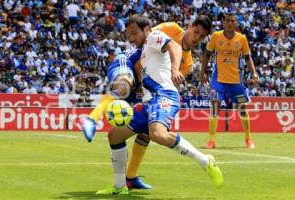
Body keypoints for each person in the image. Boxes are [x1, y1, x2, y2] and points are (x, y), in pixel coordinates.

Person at [81, 15, 213, 189]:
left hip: (145, 85)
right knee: (123, 85)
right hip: (131, 64)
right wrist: (173, 68)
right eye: (196, 32)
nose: (196, 38)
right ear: (189, 26)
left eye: (201, 37)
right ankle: (92, 118)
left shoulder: (188, 62)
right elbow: (146, 40)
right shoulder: (171, 28)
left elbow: (166, 80)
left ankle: (130, 178)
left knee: (147, 130)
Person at [200, 13, 259, 149]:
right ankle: (212, 141)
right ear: (224, 23)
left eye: (233, 21)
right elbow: (207, 55)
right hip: (218, 81)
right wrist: (202, 74)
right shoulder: (216, 36)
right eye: (228, 21)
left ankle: (248, 139)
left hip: (236, 82)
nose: (230, 23)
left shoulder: (242, 39)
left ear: (236, 23)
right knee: (215, 107)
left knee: (242, 109)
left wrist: (254, 73)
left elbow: (248, 58)